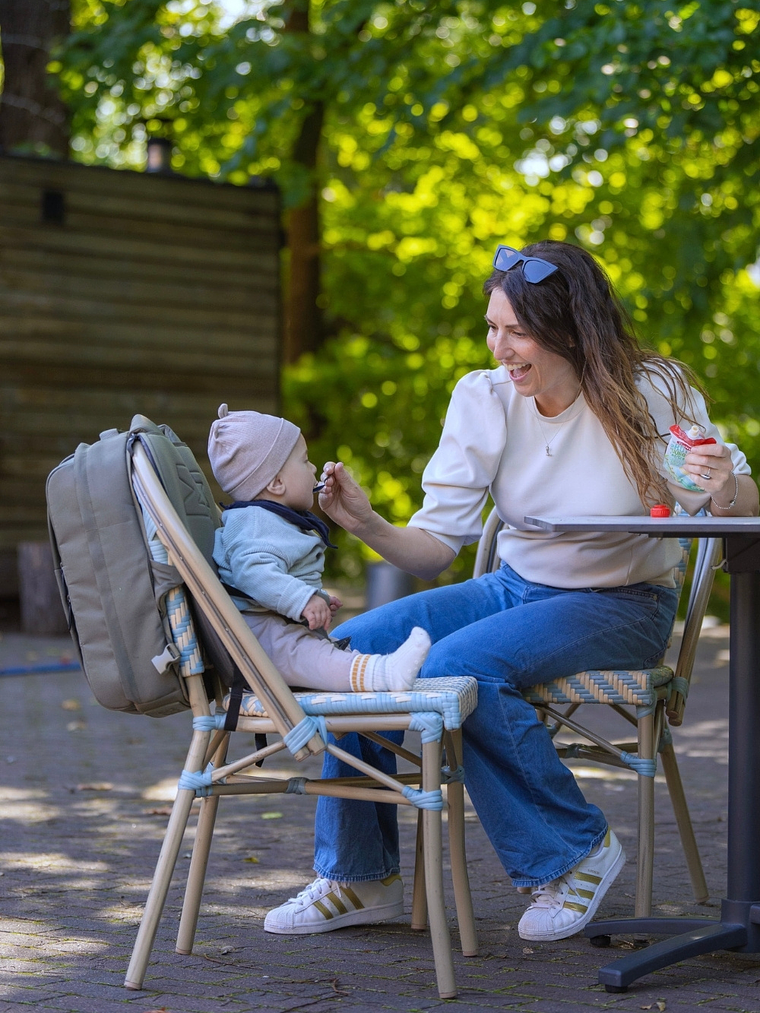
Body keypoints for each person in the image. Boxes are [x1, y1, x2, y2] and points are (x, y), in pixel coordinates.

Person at [262, 240, 759, 942]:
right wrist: (366, 522)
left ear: (569, 330)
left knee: (457, 667)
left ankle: (575, 852)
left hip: (622, 602)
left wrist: (723, 486)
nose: (499, 348)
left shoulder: (650, 389)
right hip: (512, 588)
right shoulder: (485, 397)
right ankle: (359, 874)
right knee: (352, 648)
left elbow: (731, 503)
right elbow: (435, 549)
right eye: (492, 328)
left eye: (516, 332)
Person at [208, 404, 431, 694]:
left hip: (275, 629)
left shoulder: (269, 520)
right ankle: (384, 674)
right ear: (277, 483)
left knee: (324, 654)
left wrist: (316, 598)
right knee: (313, 658)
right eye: (305, 461)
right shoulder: (254, 522)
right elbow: (252, 573)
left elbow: (277, 575)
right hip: (258, 639)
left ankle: (377, 670)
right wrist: (302, 599)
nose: (313, 468)